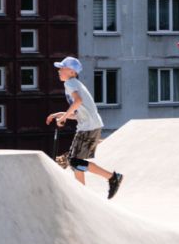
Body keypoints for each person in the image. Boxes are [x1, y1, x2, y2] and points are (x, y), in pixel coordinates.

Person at [47, 56, 124, 199]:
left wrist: (63, 118)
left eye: (62, 68)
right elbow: (79, 112)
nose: (59, 71)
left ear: (71, 72)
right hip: (90, 125)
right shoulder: (75, 83)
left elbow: (78, 101)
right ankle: (82, 194)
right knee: (76, 163)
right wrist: (61, 114)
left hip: (88, 128)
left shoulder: (70, 83)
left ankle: (112, 177)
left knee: (74, 161)